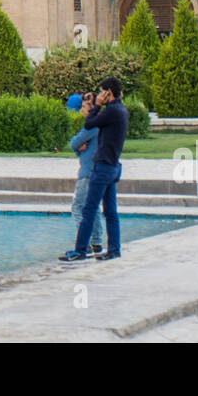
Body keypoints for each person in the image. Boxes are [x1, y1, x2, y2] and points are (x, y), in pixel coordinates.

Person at [61, 77, 128, 262]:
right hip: (113, 166)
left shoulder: (111, 111)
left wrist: (96, 105)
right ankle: (114, 248)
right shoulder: (120, 110)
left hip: (103, 167)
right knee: (110, 212)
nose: (99, 95)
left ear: (108, 93)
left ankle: (80, 250)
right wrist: (95, 104)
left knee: (89, 209)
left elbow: (89, 124)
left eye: (101, 92)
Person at [67, 93, 106, 255]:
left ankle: (85, 241)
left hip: (86, 173)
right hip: (95, 170)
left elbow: (73, 143)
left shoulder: (90, 127)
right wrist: (78, 149)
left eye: (83, 107)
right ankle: (97, 241)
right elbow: (79, 149)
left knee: (78, 207)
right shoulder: (100, 127)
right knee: (93, 206)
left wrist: (77, 147)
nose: (80, 109)